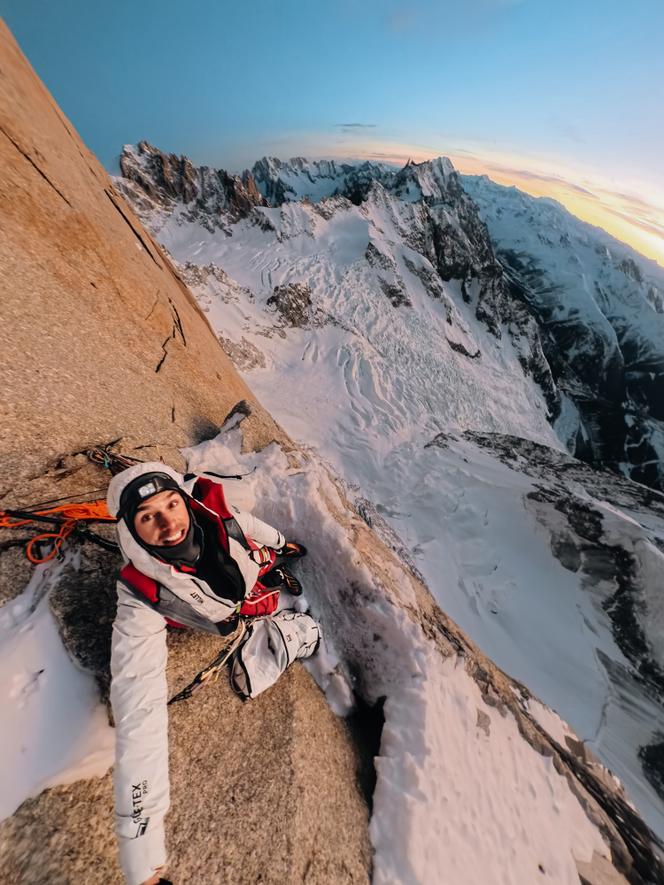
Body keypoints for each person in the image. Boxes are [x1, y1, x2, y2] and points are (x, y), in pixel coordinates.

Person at [106, 461, 320, 885]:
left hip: (243, 582)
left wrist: (280, 542)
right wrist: (142, 858)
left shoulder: (216, 515)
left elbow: (247, 524)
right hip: (220, 613)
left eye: (172, 504)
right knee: (265, 605)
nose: (170, 524)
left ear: (184, 499)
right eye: (149, 517)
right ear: (131, 531)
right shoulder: (140, 597)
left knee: (257, 567)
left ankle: (271, 570)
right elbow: (139, 713)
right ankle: (267, 578)